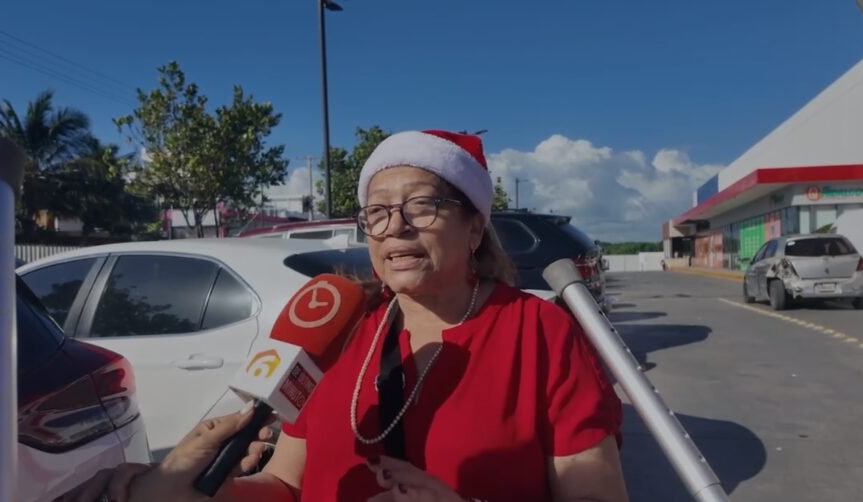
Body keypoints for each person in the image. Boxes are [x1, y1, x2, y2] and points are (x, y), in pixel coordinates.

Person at [60, 129, 628, 502]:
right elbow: (285, 482)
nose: (396, 227)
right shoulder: (339, 329)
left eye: (422, 206)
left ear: (475, 227)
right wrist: (198, 488)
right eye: (377, 213)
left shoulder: (540, 332)